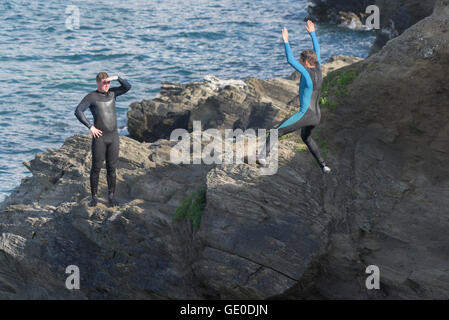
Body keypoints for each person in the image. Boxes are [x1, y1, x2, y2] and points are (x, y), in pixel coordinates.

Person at [257, 20, 331, 174]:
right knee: (307, 138)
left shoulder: (306, 72)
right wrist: (312, 34)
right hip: (316, 116)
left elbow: (289, 60)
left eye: (300, 61)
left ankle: (262, 156)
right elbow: (317, 50)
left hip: (305, 114)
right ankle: (324, 166)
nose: (299, 62)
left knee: (277, 132)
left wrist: (286, 41)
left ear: (305, 62)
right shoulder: (318, 67)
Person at [74, 72, 131, 207]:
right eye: (104, 83)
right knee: (96, 168)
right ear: (97, 83)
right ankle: (94, 197)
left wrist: (117, 78)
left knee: (112, 168)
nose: (106, 85)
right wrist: (90, 127)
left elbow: (128, 87)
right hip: (100, 138)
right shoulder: (91, 97)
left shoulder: (112, 93)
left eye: (108, 83)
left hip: (113, 137)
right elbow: (78, 111)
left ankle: (111, 196)